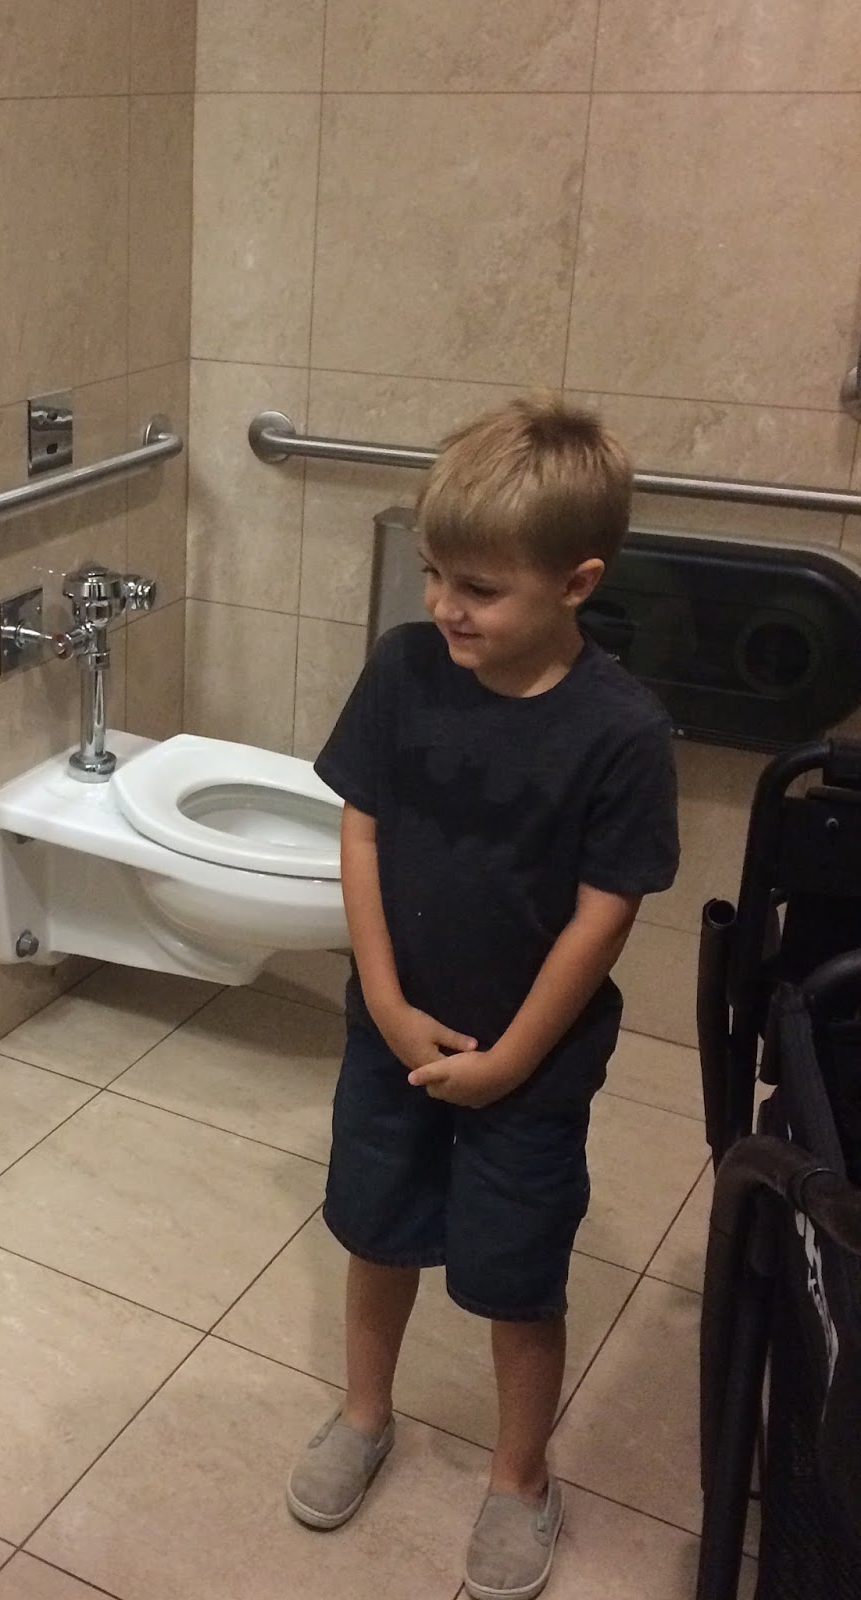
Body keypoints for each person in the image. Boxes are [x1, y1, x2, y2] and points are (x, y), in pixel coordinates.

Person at [287, 395, 679, 1600]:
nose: (444, 605)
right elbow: (360, 828)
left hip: (532, 1064)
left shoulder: (620, 730)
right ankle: (365, 1412)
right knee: (374, 1225)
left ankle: (519, 1477)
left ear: (576, 581)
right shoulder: (404, 669)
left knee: (517, 1269)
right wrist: (382, 996)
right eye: (433, 574)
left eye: (479, 587)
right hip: (391, 1032)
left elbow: (603, 912)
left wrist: (511, 1059)